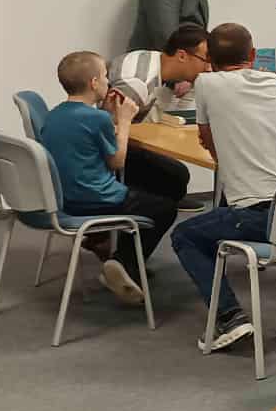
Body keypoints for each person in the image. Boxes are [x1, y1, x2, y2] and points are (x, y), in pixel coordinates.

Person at [171, 24, 276, 353]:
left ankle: (230, 317)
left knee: (185, 235)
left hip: (257, 214)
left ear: (209, 59)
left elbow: (209, 141)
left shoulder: (206, 83)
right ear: (253, 54)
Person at [38, 49, 177, 306]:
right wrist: (124, 121)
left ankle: (121, 260)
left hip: (65, 199)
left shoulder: (54, 115)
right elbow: (117, 162)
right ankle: (123, 262)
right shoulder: (97, 118)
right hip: (97, 199)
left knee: (147, 195)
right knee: (165, 207)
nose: (108, 81)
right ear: (94, 83)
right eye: (104, 76)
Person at [111, 22, 211, 207]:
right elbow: (110, 135)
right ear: (182, 55)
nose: (209, 68)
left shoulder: (152, 60)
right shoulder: (138, 85)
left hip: (125, 139)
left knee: (176, 175)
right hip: (107, 155)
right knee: (174, 178)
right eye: (206, 60)